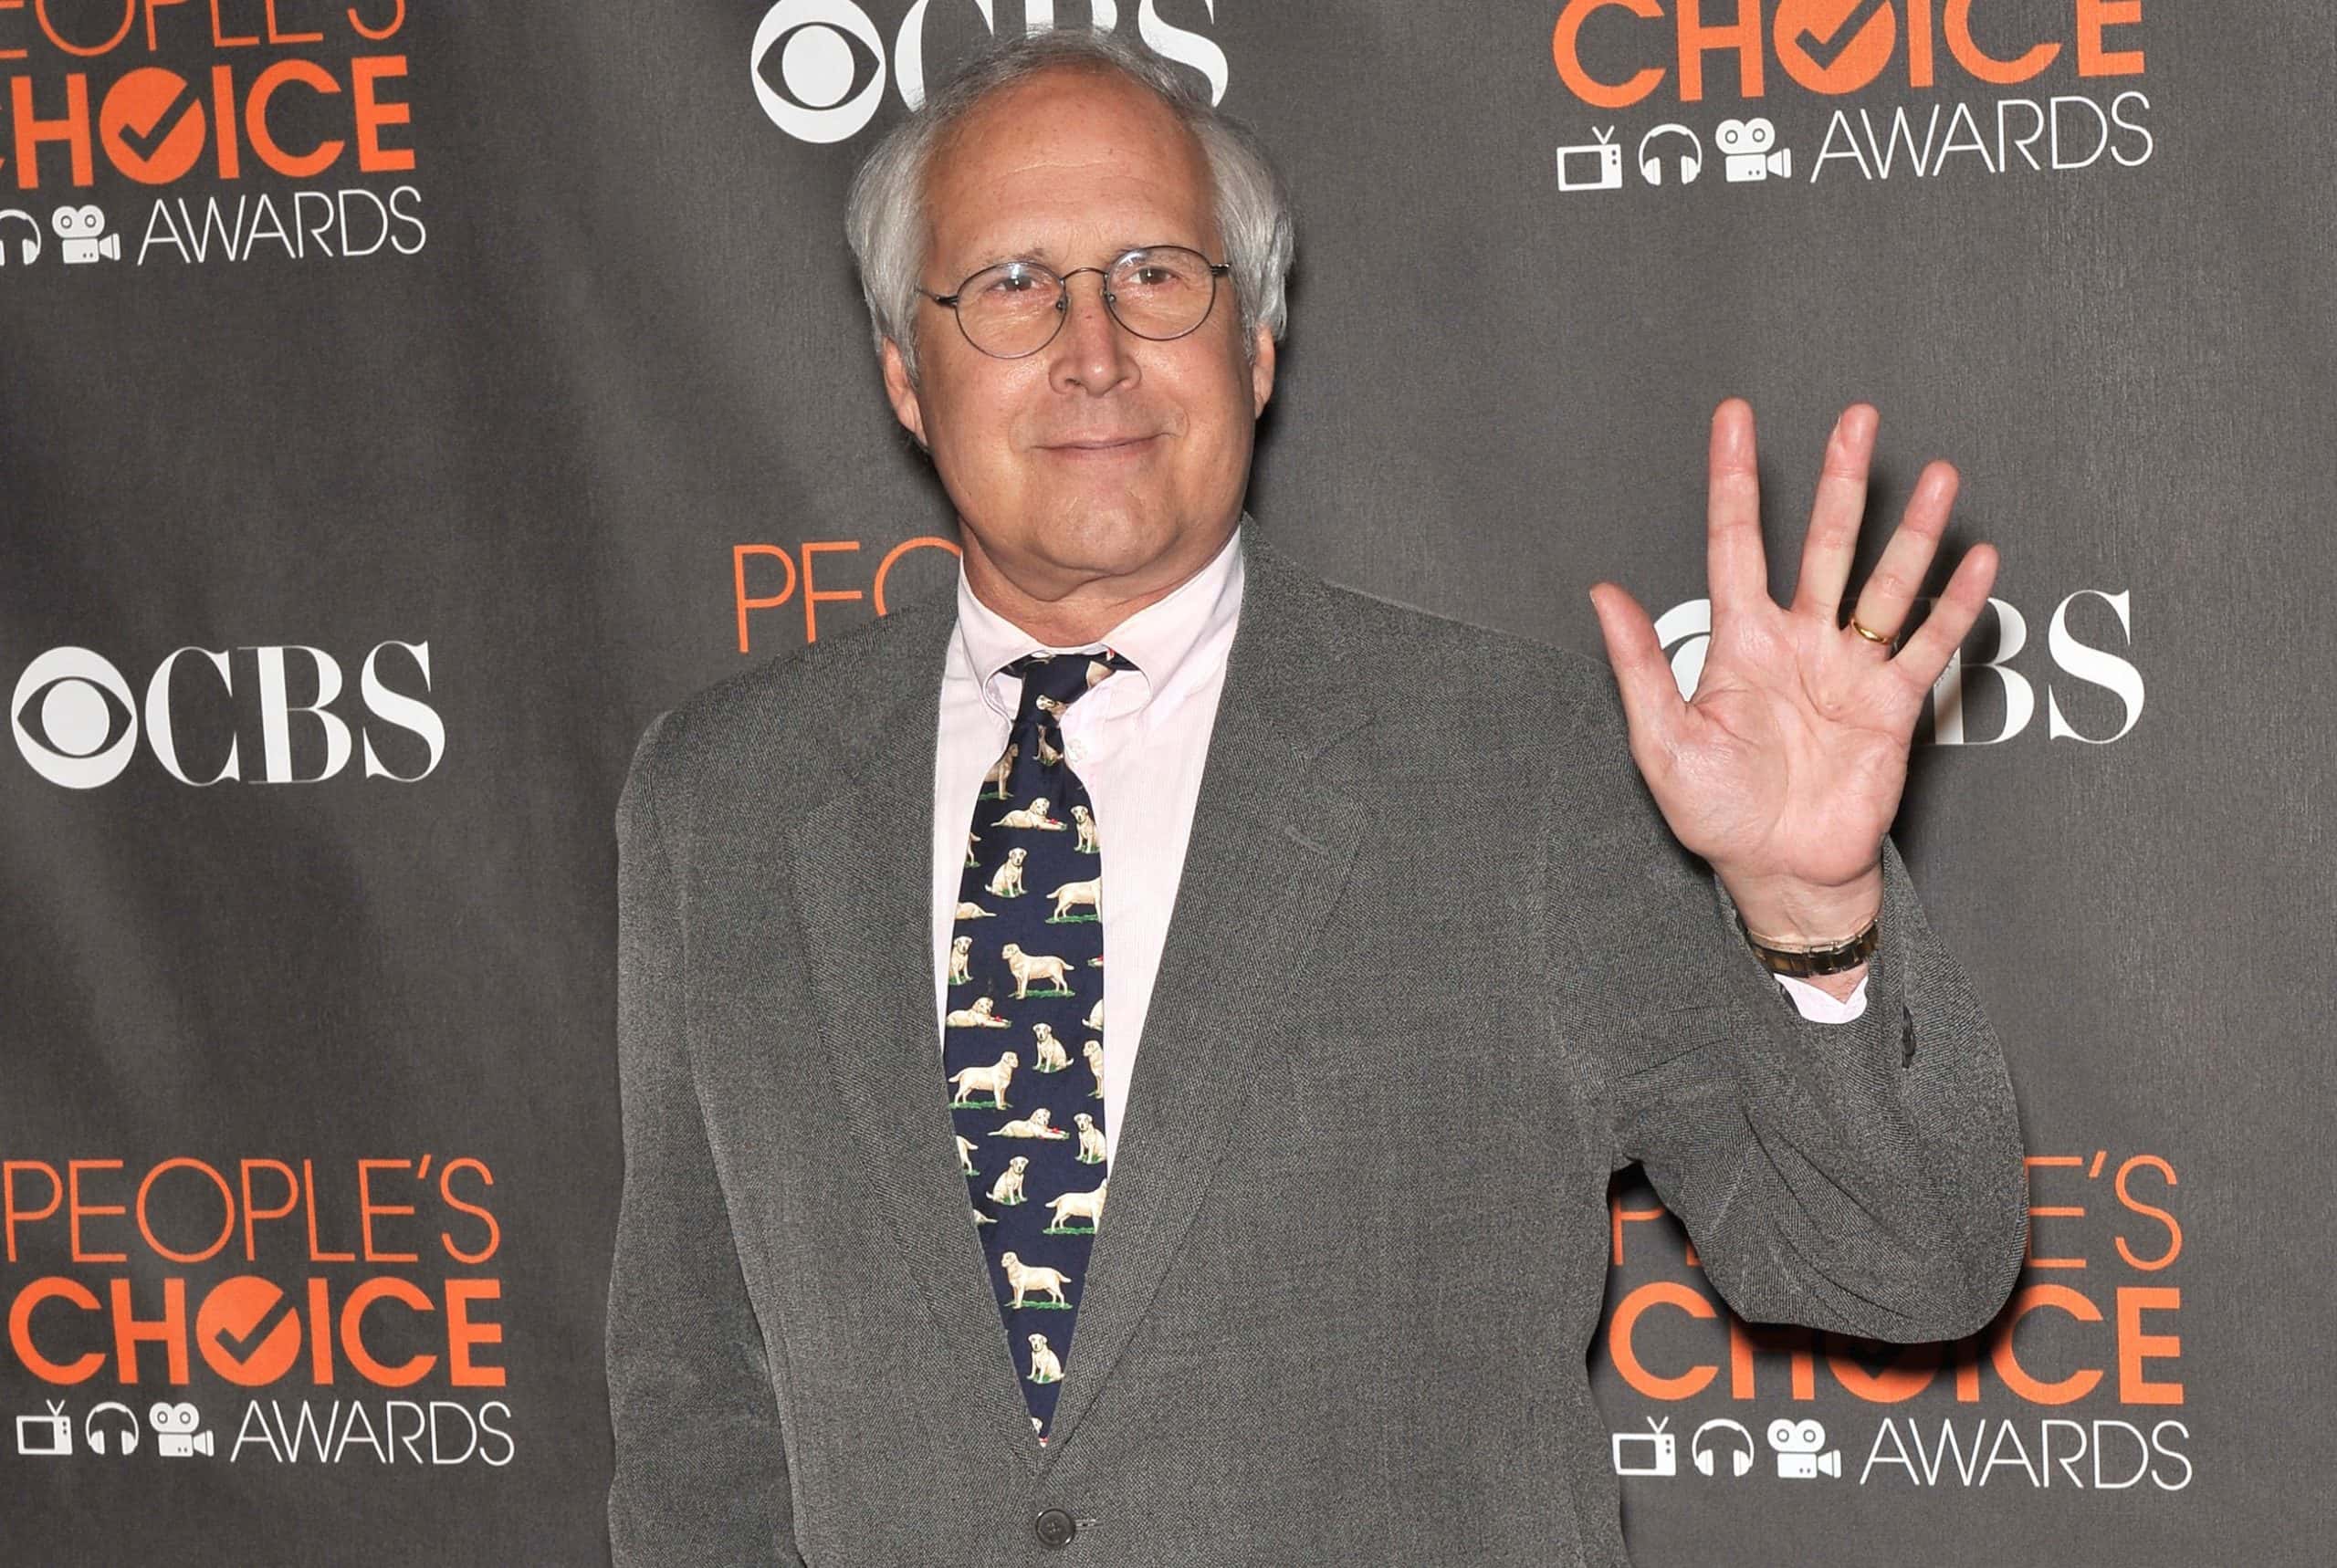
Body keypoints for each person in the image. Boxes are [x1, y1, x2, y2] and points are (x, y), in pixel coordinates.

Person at [604, 30, 2025, 1568]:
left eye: (1157, 274)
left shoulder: (1528, 770)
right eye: (1011, 285)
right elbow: (699, 1414)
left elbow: (1908, 1265)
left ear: (1257, 344)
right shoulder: (722, 798)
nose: (1093, 348)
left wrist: (1812, 916)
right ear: (904, 371)